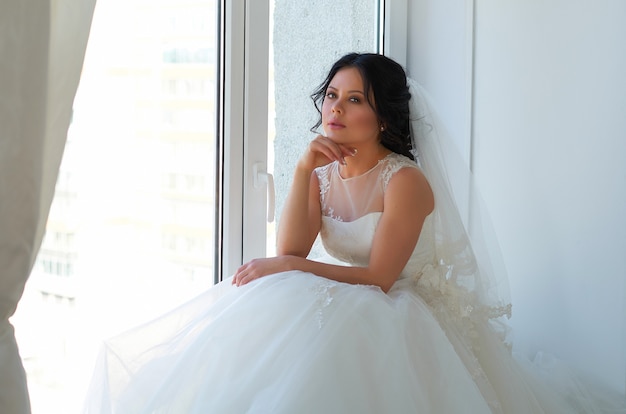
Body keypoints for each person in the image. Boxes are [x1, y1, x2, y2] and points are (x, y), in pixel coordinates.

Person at [83, 53, 624, 413]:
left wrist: (291, 267)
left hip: (398, 307)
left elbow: (380, 278)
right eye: (331, 96)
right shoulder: (321, 172)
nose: (335, 110)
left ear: (383, 117)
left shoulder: (404, 180)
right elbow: (290, 250)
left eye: (355, 100)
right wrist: (300, 171)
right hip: (346, 295)